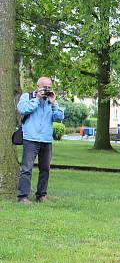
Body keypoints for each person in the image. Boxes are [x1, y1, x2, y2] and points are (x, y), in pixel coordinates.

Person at [16, 76, 65, 204]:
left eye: (49, 87)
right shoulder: (28, 97)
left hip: (46, 140)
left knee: (45, 169)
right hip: (30, 139)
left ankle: (41, 195)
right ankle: (23, 197)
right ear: (38, 86)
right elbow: (22, 109)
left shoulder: (51, 101)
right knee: (26, 169)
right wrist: (37, 99)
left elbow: (60, 116)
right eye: (45, 87)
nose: (47, 89)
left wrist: (54, 103)